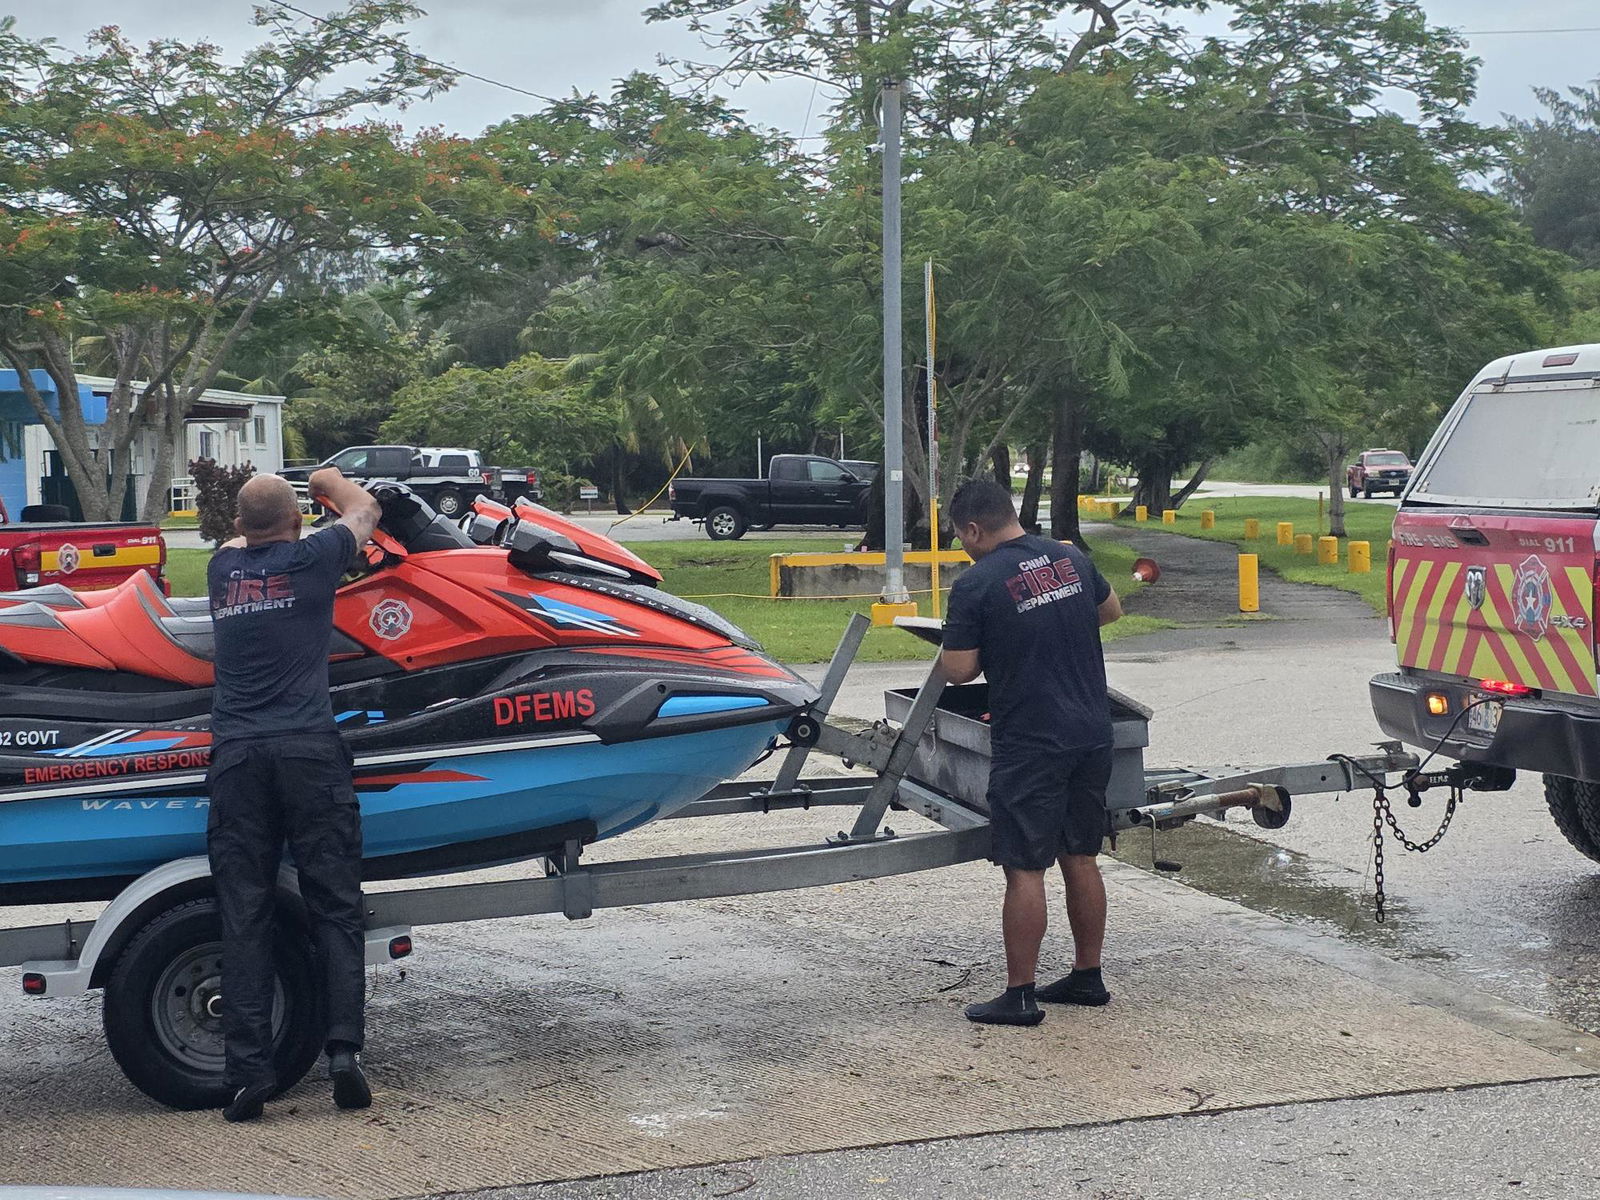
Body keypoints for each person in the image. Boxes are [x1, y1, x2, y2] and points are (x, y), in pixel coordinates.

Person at [206, 468, 381, 1121]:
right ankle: (342, 1054)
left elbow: (240, 536)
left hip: (239, 762)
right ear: (298, 521)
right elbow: (367, 509)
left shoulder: (222, 572)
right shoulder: (315, 559)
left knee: (245, 915)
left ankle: (249, 1077)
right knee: (334, 908)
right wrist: (327, 479)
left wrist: (271, 512)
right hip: (308, 752)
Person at [937, 478, 1123, 1026]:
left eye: (960, 536)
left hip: (1032, 740)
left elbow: (959, 670)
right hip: (1092, 731)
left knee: (1024, 868)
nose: (962, 545)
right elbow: (1111, 611)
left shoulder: (977, 582)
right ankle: (1088, 977)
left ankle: (1019, 994)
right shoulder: (1068, 559)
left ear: (973, 528)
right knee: (1082, 855)